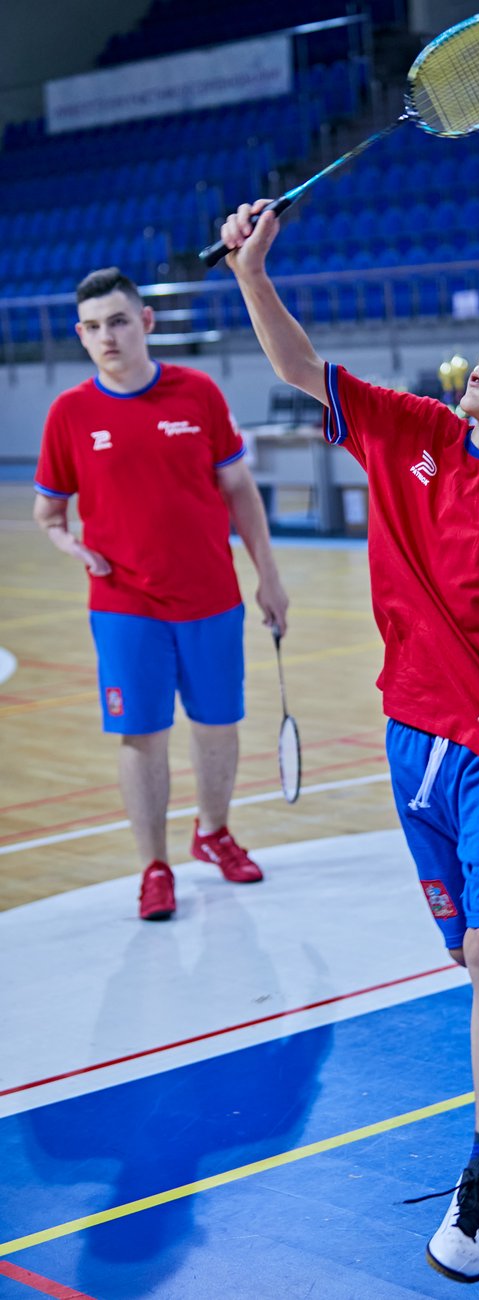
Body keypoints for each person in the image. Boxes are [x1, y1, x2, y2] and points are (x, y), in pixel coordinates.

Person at [221, 200, 479, 1284]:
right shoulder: (411, 432)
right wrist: (253, 273)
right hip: (410, 738)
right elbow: (300, 367)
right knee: (475, 949)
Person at [33, 267, 289, 922]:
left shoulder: (198, 393)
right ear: (80, 335)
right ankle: (154, 867)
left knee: (217, 724)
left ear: (145, 322)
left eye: (118, 321)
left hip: (211, 597)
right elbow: (48, 512)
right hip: (124, 607)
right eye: (93, 327)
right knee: (142, 735)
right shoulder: (69, 414)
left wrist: (268, 575)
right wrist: (71, 546)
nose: (107, 337)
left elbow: (240, 491)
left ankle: (214, 833)